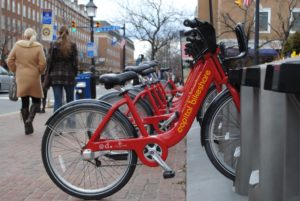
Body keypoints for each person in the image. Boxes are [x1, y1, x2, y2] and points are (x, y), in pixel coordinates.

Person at [7, 28, 46, 135]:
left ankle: (27, 128)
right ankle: (30, 119)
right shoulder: (38, 46)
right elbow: (43, 63)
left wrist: (16, 70)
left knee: (24, 102)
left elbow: (9, 60)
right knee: (37, 101)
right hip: (34, 77)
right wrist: (39, 71)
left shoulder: (17, 45)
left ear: (24, 36)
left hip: (21, 77)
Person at [47, 26, 78, 111]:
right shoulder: (72, 45)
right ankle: (71, 122)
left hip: (55, 76)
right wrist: (75, 73)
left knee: (58, 101)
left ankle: (55, 123)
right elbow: (75, 62)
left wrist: (48, 74)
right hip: (69, 76)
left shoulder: (53, 44)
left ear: (59, 33)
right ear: (68, 34)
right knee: (70, 101)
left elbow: (49, 61)